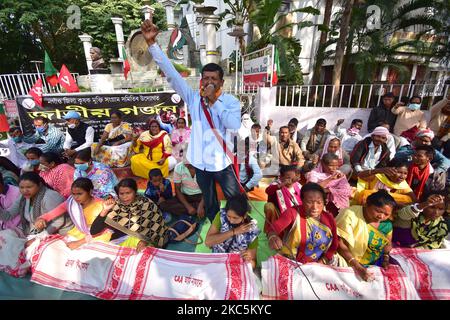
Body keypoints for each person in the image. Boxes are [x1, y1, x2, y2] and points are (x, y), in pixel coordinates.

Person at [141, 19, 242, 223]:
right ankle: (216, 227)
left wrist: (214, 101)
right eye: (206, 79)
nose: (209, 82)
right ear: (201, 81)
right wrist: (152, 45)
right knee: (211, 201)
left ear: (221, 82)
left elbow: (234, 125)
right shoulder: (193, 97)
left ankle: (240, 226)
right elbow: (171, 73)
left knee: (235, 199)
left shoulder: (231, 101)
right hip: (200, 164)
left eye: (214, 79)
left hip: (222, 163)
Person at [267, 182, 339, 265]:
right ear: (302, 200)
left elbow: (334, 245)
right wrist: (272, 236)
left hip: (320, 263)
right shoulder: (293, 213)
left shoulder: (329, 218)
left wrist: (321, 262)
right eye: (309, 202)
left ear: (324, 202)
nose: (314, 207)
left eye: (319, 202)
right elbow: (274, 228)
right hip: (292, 262)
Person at [90, 178, 168, 251]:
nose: (125, 197)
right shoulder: (115, 207)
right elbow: (94, 231)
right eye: (121, 194)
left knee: (146, 250)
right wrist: (105, 210)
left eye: (128, 193)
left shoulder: (147, 205)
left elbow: (156, 230)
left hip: (144, 243)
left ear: (135, 192)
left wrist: (144, 241)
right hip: (121, 243)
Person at [34, 178, 112, 250]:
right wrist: (42, 218)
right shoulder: (72, 203)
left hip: (97, 236)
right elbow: (55, 212)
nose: (76, 197)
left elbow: (101, 230)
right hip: (77, 234)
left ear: (90, 192)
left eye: (79, 194)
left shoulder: (102, 205)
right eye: (73, 194)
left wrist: (79, 242)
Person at [335, 190, 396, 281]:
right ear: (366, 204)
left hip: (375, 263)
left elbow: (388, 243)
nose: (381, 216)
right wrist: (358, 267)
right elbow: (340, 244)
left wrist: (386, 258)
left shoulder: (386, 224)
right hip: (349, 261)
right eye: (378, 211)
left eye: (386, 214)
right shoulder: (349, 215)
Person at [0, 172, 72, 240]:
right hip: (36, 232)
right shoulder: (23, 197)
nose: (25, 190)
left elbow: (59, 222)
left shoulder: (50, 196)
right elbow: (8, 216)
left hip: (61, 233)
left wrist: (37, 238)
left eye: (29, 187)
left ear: (39, 185)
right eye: (21, 188)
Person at [205, 194, 260, 269]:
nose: (231, 220)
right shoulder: (222, 216)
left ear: (244, 215)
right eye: (229, 216)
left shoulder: (252, 231)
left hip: (235, 264)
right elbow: (208, 242)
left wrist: (249, 261)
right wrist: (233, 232)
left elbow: (253, 262)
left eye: (235, 218)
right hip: (218, 257)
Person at [264, 165, 302, 233]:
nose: (290, 180)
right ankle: (272, 231)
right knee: (268, 206)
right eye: (288, 178)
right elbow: (268, 191)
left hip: (296, 212)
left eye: (292, 177)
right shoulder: (276, 184)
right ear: (281, 177)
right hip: (280, 214)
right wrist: (282, 185)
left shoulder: (298, 185)